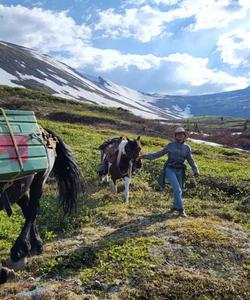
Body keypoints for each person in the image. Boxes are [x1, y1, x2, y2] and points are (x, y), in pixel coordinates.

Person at [141, 127, 199, 217]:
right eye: (178, 134)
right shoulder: (170, 145)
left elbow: (191, 160)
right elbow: (158, 154)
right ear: (175, 136)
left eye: (181, 134)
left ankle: (175, 207)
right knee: (177, 189)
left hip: (180, 170)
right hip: (170, 169)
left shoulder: (187, 148)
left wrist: (195, 169)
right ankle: (181, 210)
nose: (180, 136)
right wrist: (145, 156)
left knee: (180, 190)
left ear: (184, 136)